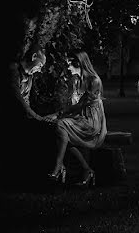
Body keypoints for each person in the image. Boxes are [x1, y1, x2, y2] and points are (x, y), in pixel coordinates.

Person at [46, 50, 107, 186]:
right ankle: (87, 170)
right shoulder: (76, 81)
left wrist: (59, 114)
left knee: (61, 126)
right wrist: (61, 115)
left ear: (79, 63)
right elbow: (75, 107)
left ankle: (58, 168)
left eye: (70, 63)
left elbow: (81, 105)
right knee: (62, 133)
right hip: (79, 118)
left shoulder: (93, 80)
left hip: (90, 121)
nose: (67, 67)